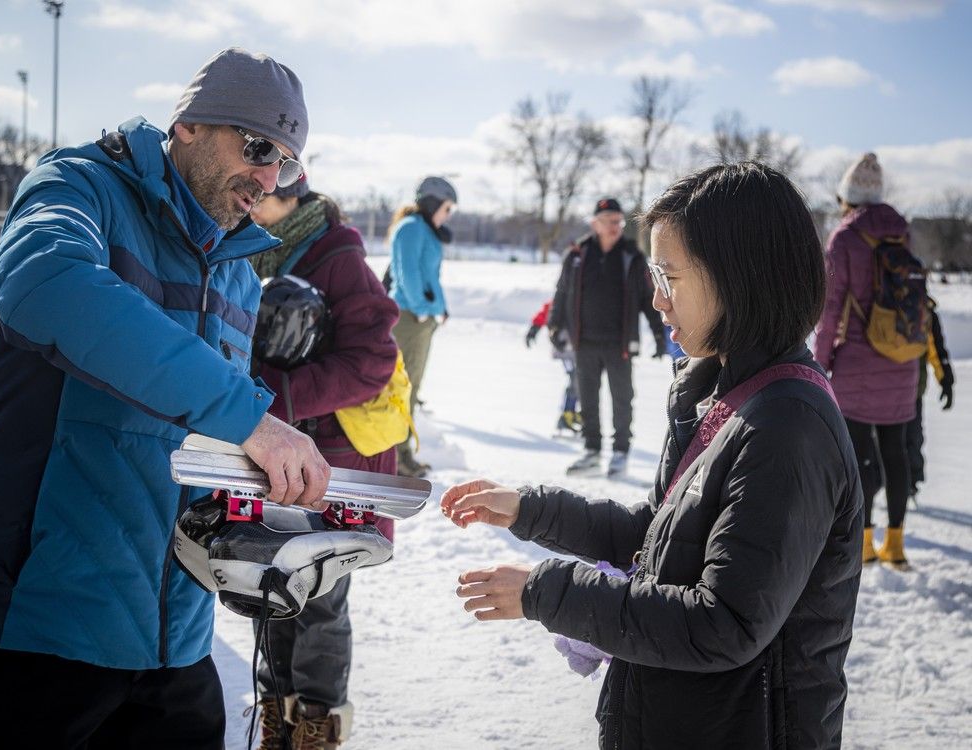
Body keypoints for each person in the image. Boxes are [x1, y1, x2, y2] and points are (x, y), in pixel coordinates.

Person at [0, 48, 332, 748]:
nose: (267, 176)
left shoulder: (237, 276)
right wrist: (249, 418)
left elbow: (186, 438)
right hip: (37, 629)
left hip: (173, 645)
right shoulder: (79, 186)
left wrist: (259, 521)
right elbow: (45, 286)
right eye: (259, 146)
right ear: (191, 125)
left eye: (284, 163)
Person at [442, 162, 863, 750]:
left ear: (738, 275)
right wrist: (529, 511)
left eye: (669, 276)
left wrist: (550, 592)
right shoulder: (723, 388)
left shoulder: (787, 427)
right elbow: (661, 541)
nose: (657, 300)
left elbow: (723, 622)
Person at [249, 182, 400, 749]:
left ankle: (317, 723)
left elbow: (373, 359)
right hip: (269, 453)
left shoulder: (337, 254)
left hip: (329, 460)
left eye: (260, 194)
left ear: (290, 197)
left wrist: (277, 399)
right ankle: (275, 713)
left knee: (318, 595)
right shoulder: (245, 245)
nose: (249, 202)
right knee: (265, 581)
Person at [813, 152, 919, 566]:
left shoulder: (844, 238)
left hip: (857, 360)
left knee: (858, 458)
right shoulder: (901, 232)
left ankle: (864, 542)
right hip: (902, 358)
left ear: (847, 196)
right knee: (896, 453)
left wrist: (820, 363)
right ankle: (896, 544)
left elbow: (832, 308)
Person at [548, 197, 666, 477]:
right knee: (588, 398)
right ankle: (591, 451)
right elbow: (562, 292)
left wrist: (659, 335)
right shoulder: (577, 254)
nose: (615, 226)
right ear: (595, 223)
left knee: (622, 398)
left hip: (619, 345)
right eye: (609, 221)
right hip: (584, 342)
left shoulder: (631, 257)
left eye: (618, 221)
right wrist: (554, 326)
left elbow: (647, 298)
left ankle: (620, 453)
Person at [386, 176, 457, 477]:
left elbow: (429, 279)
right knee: (403, 390)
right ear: (432, 203)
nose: (448, 215)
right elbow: (409, 279)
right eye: (446, 208)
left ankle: (400, 454)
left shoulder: (424, 230)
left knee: (411, 389)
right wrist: (427, 310)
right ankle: (398, 458)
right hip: (409, 319)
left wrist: (440, 307)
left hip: (420, 319)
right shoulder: (412, 229)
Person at [905, 299, 955, 502]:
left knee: (887, 439)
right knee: (912, 436)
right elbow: (936, 349)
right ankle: (909, 482)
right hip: (912, 387)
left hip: (887, 390)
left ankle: (898, 482)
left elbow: (934, 348)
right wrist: (945, 381)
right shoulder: (922, 307)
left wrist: (946, 380)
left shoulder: (880, 296)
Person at [525, 299, 582, 434]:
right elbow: (548, 310)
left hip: (578, 349)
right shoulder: (565, 293)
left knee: (580, 380)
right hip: (564, 348)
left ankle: (571, 412)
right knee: (575, 378)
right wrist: (534, 328)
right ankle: (566, 415)